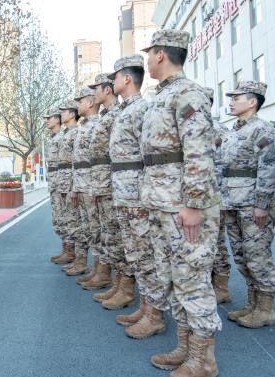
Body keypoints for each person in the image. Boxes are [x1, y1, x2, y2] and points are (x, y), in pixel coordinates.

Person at [140, 29, 221, 377]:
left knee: (193, 279)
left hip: (182, 205)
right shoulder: (165, 95)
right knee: (174, 278)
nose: (146, 60)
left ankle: (204, 360)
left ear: (160, 54)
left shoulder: (189, 93)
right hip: (163, 203)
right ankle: (187, 349)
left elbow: (199, 150)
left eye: (149, 53)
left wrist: (194, 203)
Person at [108, 55, 167, 338]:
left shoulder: (142, 109)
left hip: (138, 195)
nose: (113, 82)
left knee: (146, 254)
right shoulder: (125, 111)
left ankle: (155, 315)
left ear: (127, 78)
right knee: (135, 253)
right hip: (124, 193)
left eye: (115, 77)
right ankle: (146, 307)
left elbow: (149, 155)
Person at [221, 81, 275, 329]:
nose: (231, 101)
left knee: (257, 256)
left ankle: (266, 309)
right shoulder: (233, 131)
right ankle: (253, 303)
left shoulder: (262, 129)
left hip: (251, 204)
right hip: (232, 202)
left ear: (252, 102)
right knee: (242, 255)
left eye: (237, 97)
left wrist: (262, 204)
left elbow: (268, 168)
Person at [86, 73, 132, 309]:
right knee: (108, 233)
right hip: (103, 183)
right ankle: (116, 282)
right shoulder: (107, 115)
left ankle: (125, 287)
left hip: (116, 185)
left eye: (97, 88)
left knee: (117, 235)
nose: (94, 93)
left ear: (107, 90)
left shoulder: (119, 114)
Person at [68, 88, 100, 278]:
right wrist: (75, 186)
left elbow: (99, 159)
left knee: (97, 229)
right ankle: (96, 270)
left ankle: (100, 271)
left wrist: (95, 186)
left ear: (89, 103)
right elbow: (77, 160)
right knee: (88, 228)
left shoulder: (98, 125)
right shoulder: (84, 127)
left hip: (92, 184)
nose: (78, 105)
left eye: (80, 101)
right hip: (82, 184)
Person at [206, 88, 232, 305]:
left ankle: (221, 286)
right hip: (196, 196)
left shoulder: (218, 130)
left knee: (217, 243)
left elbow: (226, 165)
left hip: (216, 195)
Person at [52, 101, 80, 265]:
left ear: (71, 114)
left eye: (63, 112)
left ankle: (77, 257)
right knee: (65, 220)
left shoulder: (76, 133)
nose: (60, 115)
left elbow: (76, 162)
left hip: (70, 183)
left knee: (73, 221)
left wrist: (74, 186)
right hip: (61, 183)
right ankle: (68, 251)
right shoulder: (66, 134)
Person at [44, 108, 67, 263]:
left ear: (58, 119)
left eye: (49, 118)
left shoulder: (62, 138)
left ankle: (71, 252)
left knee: (66, 218)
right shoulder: (53, 138)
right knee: (58, 218)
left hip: (61, 183)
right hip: (54, 183)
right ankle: (67, 249)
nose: (47, 121)